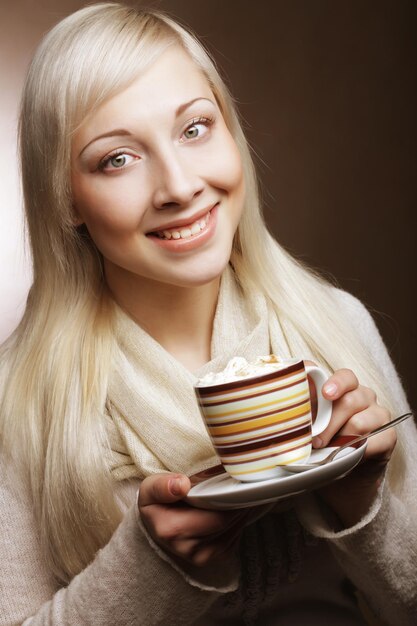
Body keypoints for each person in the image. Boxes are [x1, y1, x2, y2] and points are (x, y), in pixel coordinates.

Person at [0, 3, 416, 624]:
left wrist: (362, 508)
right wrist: (149, 570)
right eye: (118, 158)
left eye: (194, 129)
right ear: (66, 201)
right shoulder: (18, 397)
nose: (179, 185)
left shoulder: (337, 321)